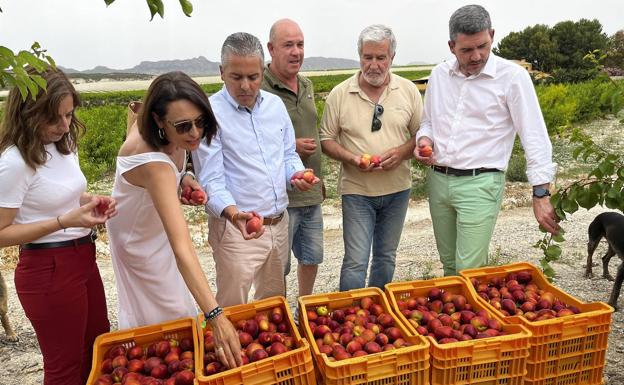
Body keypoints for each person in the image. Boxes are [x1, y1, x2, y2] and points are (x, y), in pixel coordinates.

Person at [106, 71, 241, 368]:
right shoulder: (153, 164)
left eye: (200, 121)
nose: (194, 133)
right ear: (158, 121)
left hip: (151, 227)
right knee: (169, 322)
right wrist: (216, 315)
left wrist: (185, 178)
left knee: (176, 317)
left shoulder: (166, 135)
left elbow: (137, 118)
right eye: (183, 126)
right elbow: (183, 249)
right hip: (139, 242)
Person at [413, 4, 559, 276]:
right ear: (451, 45)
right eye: (466, 50)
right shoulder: (439, 75)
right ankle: (457, 318)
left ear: (492, 34)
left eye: (483, 45)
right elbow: (428, 122)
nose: (476, 56)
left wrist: (541, 193)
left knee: (469, 269)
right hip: (438, 180)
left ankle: (470, 313)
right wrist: (424, 141)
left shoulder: (512, 78)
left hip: (481, 183)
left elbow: (535, 136)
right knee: (449, 265)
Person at [0, 68, 116, 385]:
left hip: (83, 258)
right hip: (47, 268)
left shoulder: (63, 143)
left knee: (98, 350)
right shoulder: (14, 162)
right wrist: (64, 221)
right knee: (65, 367)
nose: (65, 125)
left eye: (69, 114)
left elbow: (62, 195)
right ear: (29, 113)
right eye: (55, 118)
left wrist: (91, 200)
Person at [193, 32, 318, 307]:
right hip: (236, 228)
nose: (246, 86)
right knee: (233, 304)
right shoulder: (209, 114)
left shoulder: (274, 107)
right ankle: (229, 349)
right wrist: (234, 213)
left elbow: (287, 154)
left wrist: (295, 173)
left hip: (277, 223)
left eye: (253, 77)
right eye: (237, 77)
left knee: (272, 304)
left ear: (262, 71)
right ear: (221, 72)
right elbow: (211, 179)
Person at [320, 25, 422, 291]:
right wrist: (353, 159)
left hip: (398, 190)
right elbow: (326, 140)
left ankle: (377, 314)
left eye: (381, 58)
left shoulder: (409, 91)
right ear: (359, 56)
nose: (374, 65)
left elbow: (422, 135)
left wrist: (401, 153)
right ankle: (349, 318)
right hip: (357, 192)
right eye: (368, 57)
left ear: (392, 58)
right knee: (355, 261)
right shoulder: (340, 94)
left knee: (386, 259)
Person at [261, 19, 323, 298]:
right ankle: (280, 312)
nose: (296, 51)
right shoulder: (259, 88)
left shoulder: (307, 84)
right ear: (271, 49)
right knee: (278, 266)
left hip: (311, 191)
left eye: (300, 44)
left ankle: (304, 306)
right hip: (281, 197)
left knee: (311, 256)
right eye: (288, 45)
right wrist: (291, 146)